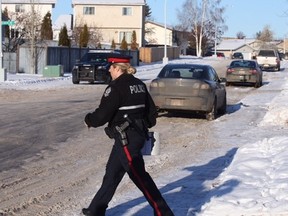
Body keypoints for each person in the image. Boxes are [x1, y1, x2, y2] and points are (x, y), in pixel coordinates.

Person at [82, 56, 174, 216]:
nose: (109, 70)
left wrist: (89, 120)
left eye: (111, 66)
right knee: (112, 174)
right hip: (133, 135)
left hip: (126, 138)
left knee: (140, 177)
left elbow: (102, 115)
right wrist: (141, 126)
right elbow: (152, 113)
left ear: (118, 68)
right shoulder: (139, 84)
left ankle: (163, 212)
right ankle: (95, 209)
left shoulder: (116, 87)